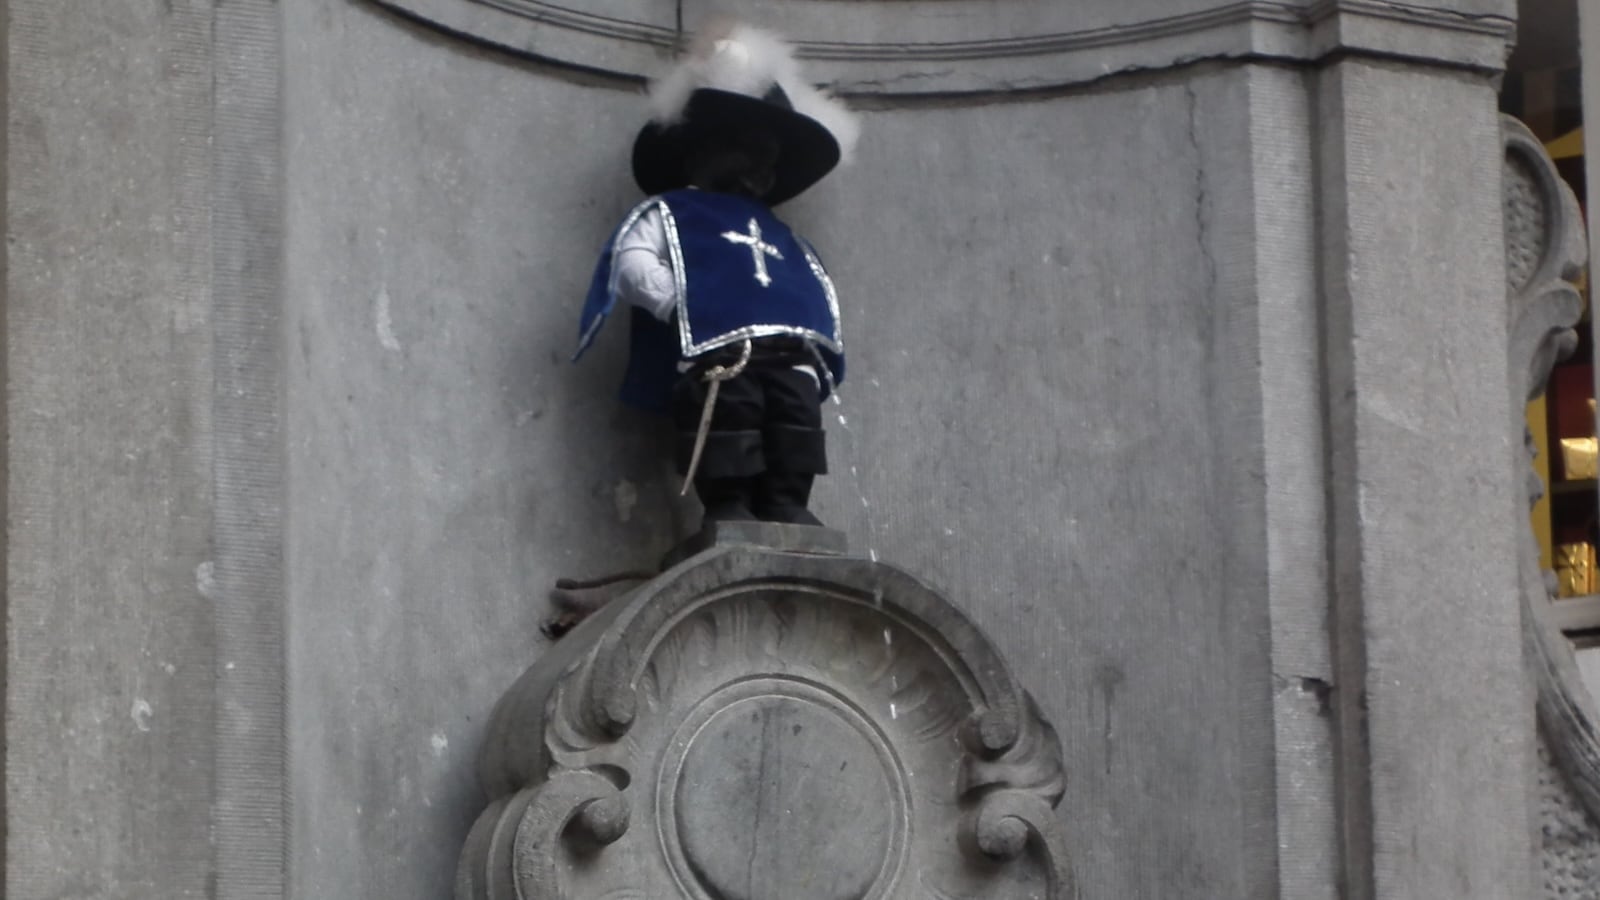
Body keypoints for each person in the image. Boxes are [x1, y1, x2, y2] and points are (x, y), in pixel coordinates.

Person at [574, 22, 857, 528]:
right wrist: (683, 304)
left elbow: (812, 286)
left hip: (789, 357)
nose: (759, 168)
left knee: (795, 426)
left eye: (767, 158)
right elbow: (632, 260)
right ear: (704, 151)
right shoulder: (674, 212)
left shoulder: (782, 235)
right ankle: (728, 504)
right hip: (720, 354)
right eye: (747, 150)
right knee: (731, 418)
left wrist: (812, 358)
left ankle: (787, 502)